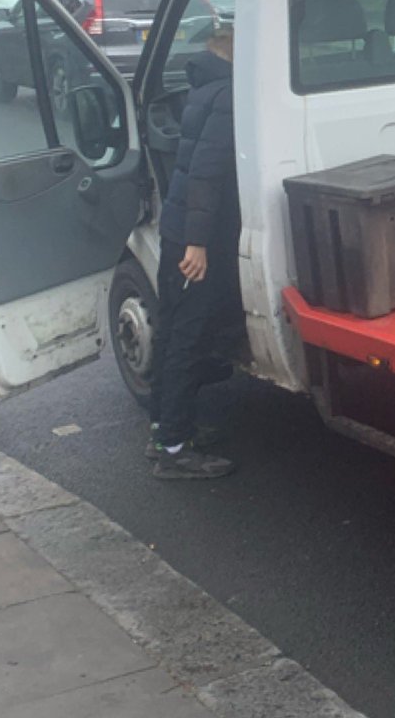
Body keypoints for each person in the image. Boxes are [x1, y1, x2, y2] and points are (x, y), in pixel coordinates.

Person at [148, 26, 243, 479]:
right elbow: (206, 173)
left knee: (172, 330)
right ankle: (174, 450)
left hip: (177, 227)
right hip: (193, 237)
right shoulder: (226, 93)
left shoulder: (202, 87)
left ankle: (165, 429)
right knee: (188, 336)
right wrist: (199, 244)